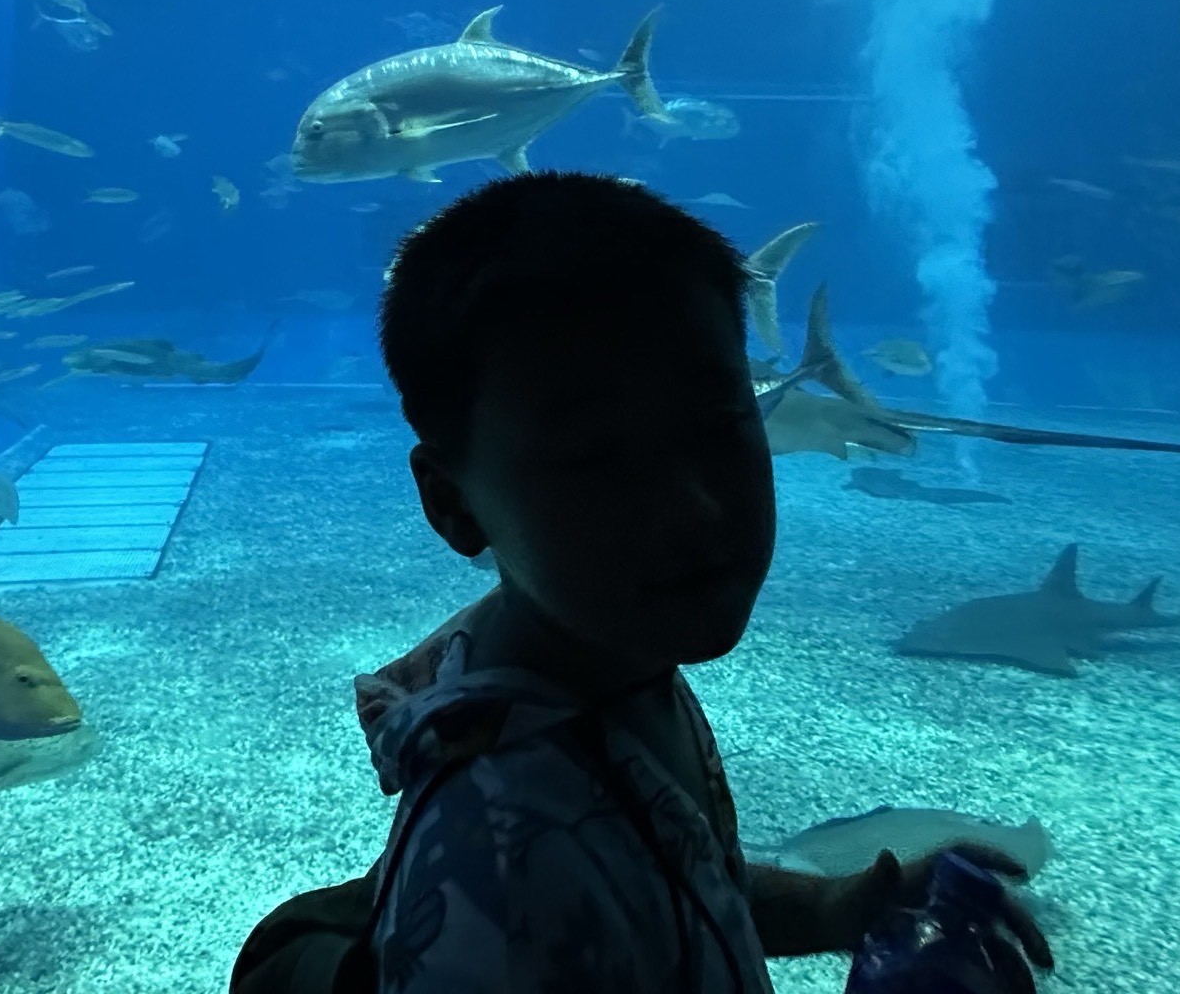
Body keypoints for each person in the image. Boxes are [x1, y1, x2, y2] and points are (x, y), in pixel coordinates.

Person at [232, 172, 1047, 994]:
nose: (690, 507)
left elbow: (683, 887)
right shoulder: (515, 887)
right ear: (452, 505)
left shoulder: (604, 660)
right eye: (594, 461)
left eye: (719, 424)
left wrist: (841, 908)